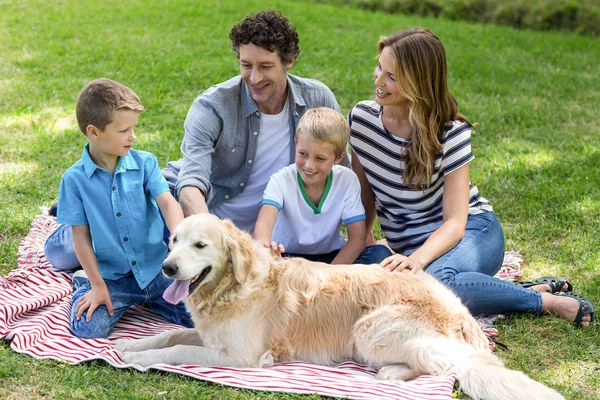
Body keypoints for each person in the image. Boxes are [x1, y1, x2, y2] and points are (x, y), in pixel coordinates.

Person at [348, 28, 594, 328]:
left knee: (433, 286)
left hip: (473, 234)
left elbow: (455, 223)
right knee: (368, 280)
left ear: (419, 82)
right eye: (379, 67)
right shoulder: (361, 121)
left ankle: (546, 302)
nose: (378, 80)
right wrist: (367, 243)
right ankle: (508, 291)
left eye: (392, 77)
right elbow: (364, 195)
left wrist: (416, 260)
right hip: (412, 245)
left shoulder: (450, 133)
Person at [162, 9, 348, 233]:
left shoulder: (317, 99)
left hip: (276, 233)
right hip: (214, 219)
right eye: (246, 65)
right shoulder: (213, 106)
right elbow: (191, 183)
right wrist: (213, 236)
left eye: (265, 66)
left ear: (289, 61)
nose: (255, 78)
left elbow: (341, 172)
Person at [50, 78, 192, 338]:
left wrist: (179, 240)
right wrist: (97, 285)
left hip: (155, 269)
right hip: (112, 278)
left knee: (201, 318)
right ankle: (82, 279)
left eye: (133, 128)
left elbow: (168, 202)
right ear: (94, 132)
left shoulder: (146, 163)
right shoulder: (74, 180)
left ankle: (150, 298)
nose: (133, 136)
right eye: (124, 130)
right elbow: (80, 238)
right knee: (88, 329)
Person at [254, 108, 391, 264]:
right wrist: (267, 249)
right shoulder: (281, 180)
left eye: (320, 158)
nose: (309, 165)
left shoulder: (346, 180)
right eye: (302, 154)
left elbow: (357, 240)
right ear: (296, 143)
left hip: (332, 260)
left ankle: (322, 288)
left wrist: (327, 277)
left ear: (338, 158)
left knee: (380, 254)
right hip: (288, 259)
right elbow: (263, 224)